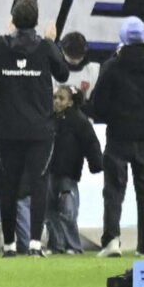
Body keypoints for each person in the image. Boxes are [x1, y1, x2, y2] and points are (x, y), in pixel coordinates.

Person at [0, 0, 68, 256]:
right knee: (39, 182)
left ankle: (9, 245)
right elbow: (63, 74)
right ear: (36, 21)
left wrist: (9, 40)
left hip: (8, 129)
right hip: (39, 130)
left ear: (12, 20)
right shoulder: (45, 47)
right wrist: (52, 42)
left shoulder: (0, 45)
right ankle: (34, 243)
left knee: (9, 184)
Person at [91, 15, 144, 257]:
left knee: (114, 190)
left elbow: (98, 104)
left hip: (118, 137)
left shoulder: (112, 66)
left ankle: (112, 240)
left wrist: (113, 114)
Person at [45, 85, 101, 254]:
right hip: (49, 172)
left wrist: (96, 163)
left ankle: (74, 246)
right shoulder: (50, 119)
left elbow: (91, 144)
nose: (56, 101)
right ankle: (56, 245)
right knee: (49, 211)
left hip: (68, 174)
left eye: (61, 98)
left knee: (67, 210)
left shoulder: (79, 121)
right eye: (55, 97)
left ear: (70, 102)